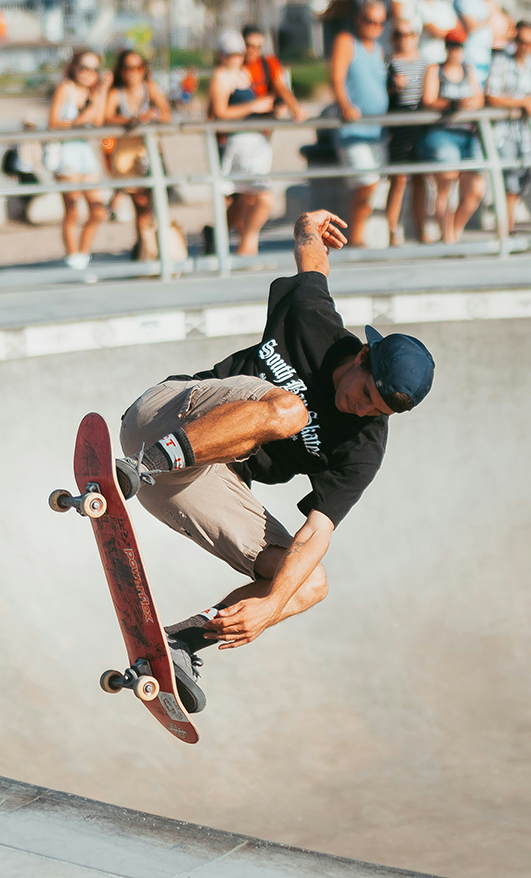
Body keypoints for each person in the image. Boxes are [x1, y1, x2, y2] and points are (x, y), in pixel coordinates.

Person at [116, 209, 435, 713]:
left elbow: (317, 531)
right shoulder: (314, 322)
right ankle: (143, 465)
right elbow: (312, 261)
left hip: (195, 482)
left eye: (379, 410)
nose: (363, 410)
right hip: (164, 417)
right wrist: (308, 225)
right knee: (289, 410)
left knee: (306, 583)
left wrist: (269, 607)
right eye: (366, 393)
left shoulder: (363, 446)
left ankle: (175, 645)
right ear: (361, 358)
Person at [209, 31, 279, 256]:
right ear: (221, 55)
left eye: (238, 54)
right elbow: (220, 113)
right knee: (262, 198)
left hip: (254, 144)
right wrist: (254, 107)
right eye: (230, 54)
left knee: (247, 200)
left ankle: (245, 248)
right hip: (238, 144)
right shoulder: (221, 77)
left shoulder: (242, 74)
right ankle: (245, 246)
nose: (235, 58)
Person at [330, 0, 392, 247]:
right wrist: (345, 105)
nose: (374, 27)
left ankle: (361, 237)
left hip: (376, 131)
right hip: (353, 130)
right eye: (369, 21)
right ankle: (355, 239)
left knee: (375, 185)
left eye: (380, 23)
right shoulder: (347, 41)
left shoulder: (378, 48)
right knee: (367, 183)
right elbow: (336, 77)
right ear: (359, 19)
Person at [104, 48, 173, 261]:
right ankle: (147, 252)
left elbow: (166, 114)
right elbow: (106, 118)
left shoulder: (150, 88)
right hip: (126, 155)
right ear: (121, 70)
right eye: (128, 67)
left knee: (152, 206)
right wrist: (131, 120)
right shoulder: (117, 93)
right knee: (142, 205)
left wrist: (153, 114)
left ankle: (145, 250)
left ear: (144, 69)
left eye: (137, 67)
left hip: (149, 153)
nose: (133, 72)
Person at [420, 28, 486, 244]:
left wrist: (469, 103)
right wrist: (453, 104)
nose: (455, 50)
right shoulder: (435, 70)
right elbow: (429, 100)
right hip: (441, 134)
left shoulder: (468, 70)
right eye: (451, 46)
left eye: (459, 46)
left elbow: (479, 98)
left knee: (476, 189)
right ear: (446, 48)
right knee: (446, 187)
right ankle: (447, 237)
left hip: (466, 134)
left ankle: (453, 232)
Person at [48, 48, 110, 270]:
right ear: (74, 67)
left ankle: (83, 254)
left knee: (98, 210)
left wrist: (102, 90)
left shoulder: (93, 93)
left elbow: (99, 122)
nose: (88, 73)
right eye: (84, 67)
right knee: (73, 210)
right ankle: (73, 257)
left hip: (85, 152)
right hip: (67, 152)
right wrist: (78, 123)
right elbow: (53, 123)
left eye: (94, 70)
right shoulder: (65, 88)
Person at [485, 20, 531, 231]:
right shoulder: (501, 61)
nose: (527, 48)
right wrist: (522, 103)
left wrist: (523, 102)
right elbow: (492, 96)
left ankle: (508, 222)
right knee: (509, 177)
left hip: (527, 133)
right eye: (523, 42)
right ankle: (507, 224)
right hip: (503, 130)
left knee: (523, 176)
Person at [386, 19, 433, 244]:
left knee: (420, 178)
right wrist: (392, 86)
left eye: (408, 34)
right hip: (399, 126)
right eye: (399, 34)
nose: (404, 39)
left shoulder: (426, 65)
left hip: (420, 124)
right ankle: (393, 231)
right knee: (399, 179)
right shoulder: (388, 64)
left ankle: (421, 229)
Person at [242, 24, 308, 123]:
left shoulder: (268, 64)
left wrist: (294, 108)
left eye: (258, 47)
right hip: (241, 119)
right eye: (249, 45)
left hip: (263, 119)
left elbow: (281, 87)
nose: (253, 51)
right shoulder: (234, 66)